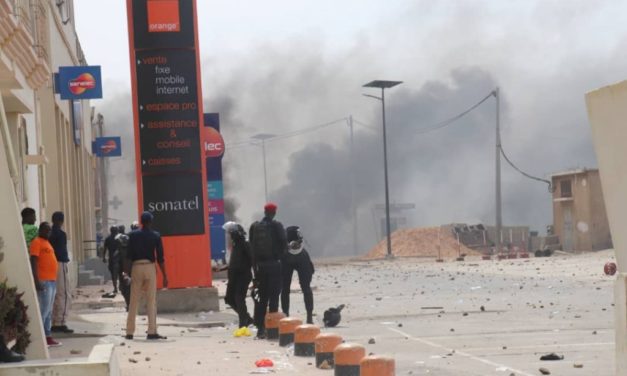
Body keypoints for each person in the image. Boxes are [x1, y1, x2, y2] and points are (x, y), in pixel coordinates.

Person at [125, 212, 168, 340]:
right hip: (149, 267)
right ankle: (151, 331)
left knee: (133, 301)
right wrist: (165, 275)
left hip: (136, 267)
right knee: (151, 300)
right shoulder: (155, 236)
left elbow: (128, 255)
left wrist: (126, 273)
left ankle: (129, 332)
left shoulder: (132, 235)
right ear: (150, 222)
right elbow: (160, 258)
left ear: (141, 222)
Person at [249, 202, 287, 339]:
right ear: (274, 212)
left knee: (262, 298)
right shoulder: (277, 225)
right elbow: (284, 243)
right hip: (275, 266)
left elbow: (252, 250)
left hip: (260, 268)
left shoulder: (254, 226)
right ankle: (273, 330)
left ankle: (260, 329)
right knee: (274, 298)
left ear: (264, 212)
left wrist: (254, 271)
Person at [29, 222, 61, 347]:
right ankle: (40, 339)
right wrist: (36, 280)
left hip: (51, 281)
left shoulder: (47, 243)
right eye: (46, 230)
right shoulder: (36, 242)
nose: (48, 232)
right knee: (43, 310)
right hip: (43, 281)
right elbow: (34, 261)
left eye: (49, 231)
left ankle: (48, 337)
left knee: (49, 311)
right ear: (41, 230)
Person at [281, 226, 315, 324]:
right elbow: (311, 271)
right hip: (300, 258)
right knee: (306, 289)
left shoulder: (285, 250)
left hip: (287, 258)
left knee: (285, 289)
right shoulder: (304, 254)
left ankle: (286, 315)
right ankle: (309, 317)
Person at [223, 222, 254, 328]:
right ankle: (248, 318)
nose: (228, 236)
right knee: (229, 299)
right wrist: (222, 268)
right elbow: (235, 262)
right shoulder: (235, 245)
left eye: (230, 234)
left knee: (239, 298)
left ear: (235, 234)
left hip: (242, 276)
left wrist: (256, 277)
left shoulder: (245, 244)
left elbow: (252, 260)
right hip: (234, 276)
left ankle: (243, 322)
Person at [50, 212, 74, 334]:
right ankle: (60, 322)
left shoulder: (48, 233)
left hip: (49, 265)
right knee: (64, 293)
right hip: (60, 263)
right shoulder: (61, 234)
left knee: (53, 294)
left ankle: (54, 320)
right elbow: (62, 251)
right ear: (61, 221)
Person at [116, 225, 131, 311]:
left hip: (126, 272)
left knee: (126, 289)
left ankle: (129, 305)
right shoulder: (120, 251)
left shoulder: (125, 251)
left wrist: (126, 273)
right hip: (123, 272)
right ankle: (128, 304)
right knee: (123, 289)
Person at [102, 226, 120, 296]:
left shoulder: (108, 239)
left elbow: (104, 249)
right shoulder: (119, 238)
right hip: (119, 259)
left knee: (113, 275)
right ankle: (119, 287)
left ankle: (115, 287)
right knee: (120, 274)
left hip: (111, 259)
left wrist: (104, 257)